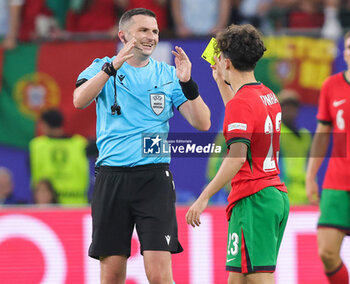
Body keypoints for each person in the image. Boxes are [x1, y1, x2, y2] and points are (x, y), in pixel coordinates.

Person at [73, 8, 210, 284]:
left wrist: (188, 84)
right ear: (124, 36)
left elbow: (203, 123)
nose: (151, 37)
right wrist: (110, 69)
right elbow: (79, 100)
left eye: (155, 31)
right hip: (111, 178)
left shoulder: (168, 75)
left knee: (159, 274)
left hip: (154, 179)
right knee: (111, 275)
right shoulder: (101, 65)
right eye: (144, 31)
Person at [186, 24, 289, 284]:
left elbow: (237, 157)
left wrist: (204, 196)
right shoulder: (267, 95)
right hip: (270, 195)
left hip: (253, 200)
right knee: (238, 279)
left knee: (259, 277)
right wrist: (222, 82)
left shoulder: (242, 103)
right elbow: (240, 112)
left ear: (227, 62)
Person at [306, 31, 350, 284]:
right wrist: (311, 175)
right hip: (337, 182)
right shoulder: (331, 86)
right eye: (348, 46)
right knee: (327, 252)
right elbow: (322, 134)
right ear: (343, 52)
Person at [29, 108, 90, 205]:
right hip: (75, 203)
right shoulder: (80, 144)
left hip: (46, 204)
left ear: (45, 125)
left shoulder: (37, 146)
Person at [278, 89, 311, 205]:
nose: (290, 110)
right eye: (286, 106)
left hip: (305, 194)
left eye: (293, 106)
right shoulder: (274, 133)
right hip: (284, 194)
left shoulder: (305, 135)